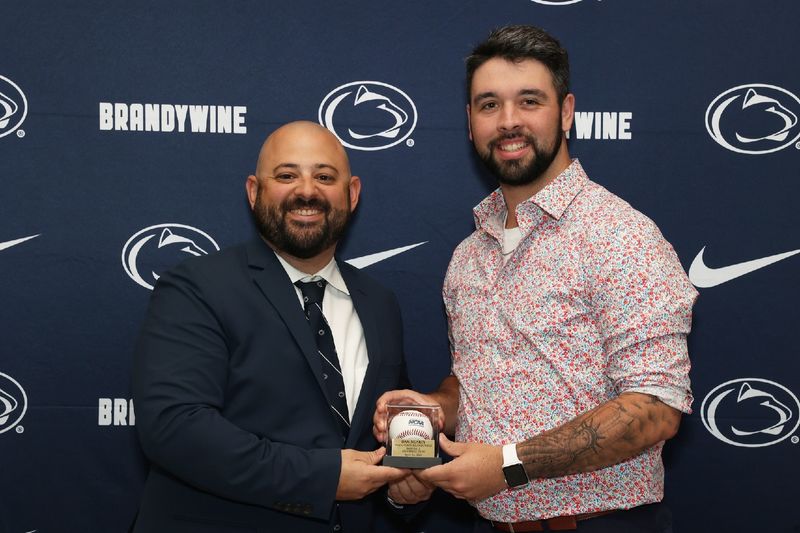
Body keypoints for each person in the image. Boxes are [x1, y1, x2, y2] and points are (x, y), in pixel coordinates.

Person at [374, 25, 698, 532]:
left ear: (566, 112)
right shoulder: (468, 255)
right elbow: (479, 381)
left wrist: (507, 465)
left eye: (529, 101)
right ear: (469, 122)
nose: (508, 122)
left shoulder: (620, 235)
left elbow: (655, 408)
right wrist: (434, 409)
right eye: (488, 105)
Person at [131, 121, 410, 533]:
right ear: (253, 191)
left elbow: (385, 433)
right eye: (286, 175)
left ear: (351, 195)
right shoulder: (196, 287)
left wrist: (404, 484)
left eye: (324, 176)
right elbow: (174, 427)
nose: (307, 190)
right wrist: (323, 478)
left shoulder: (380, 303)